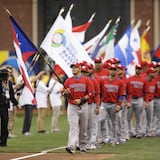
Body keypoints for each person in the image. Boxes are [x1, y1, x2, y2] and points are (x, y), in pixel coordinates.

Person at [63, 63, 95, 154]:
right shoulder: (68, 81)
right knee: (73, 127)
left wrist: (81, 100)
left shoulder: (86, 80)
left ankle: (83, 146)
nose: (73, 69)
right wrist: (66, 92)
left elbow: (92, 93)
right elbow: (64, 94)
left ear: (80, 69)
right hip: (72, 106)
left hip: (83, 105)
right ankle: (71, 146)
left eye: (75, 67)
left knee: (83, 128)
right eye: (72, 67)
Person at [100, 64, 125, 146]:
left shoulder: (120, 82)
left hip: (114, 104)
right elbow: (100, 93)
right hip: (104, 103)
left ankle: (114, 139)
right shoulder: (103, 81)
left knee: (114, 122)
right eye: (111, 69)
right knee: (101, 120)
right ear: (109, 70)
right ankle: (104, 138)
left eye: (114, 70)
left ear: (117, 71)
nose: (112, 71)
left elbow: (121, 95)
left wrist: (119, 105)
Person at [16, 71, 45, 135]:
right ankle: (25, 130)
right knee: (28, 115)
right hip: (25, 99)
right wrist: (38, 75)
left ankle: (27, 130)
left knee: (29, 115)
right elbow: (28, 82)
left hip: (29, 99)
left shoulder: (25, 77)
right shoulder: (21, 77)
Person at [127, 64, 147, 138]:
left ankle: (138, 132)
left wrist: (146, 101)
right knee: (128, 117)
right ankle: (130, 132)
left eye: (139, 69)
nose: (138, 70)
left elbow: (145, 91)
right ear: (135, 69)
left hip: (139, 99)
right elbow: (127, 91)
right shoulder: (130, 78)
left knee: (139, 117)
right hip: (131, 99)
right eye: (137, 69)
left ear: (141, 70)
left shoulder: (143, 80)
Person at [6, 66, 19, 138]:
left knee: (12, 118)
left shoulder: (11, 81)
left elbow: (11, 92)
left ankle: (10, 131)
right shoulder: (4, 81)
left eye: (11, 72)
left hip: (12, 101)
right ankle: (7, 132)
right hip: (6, 102)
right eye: (8, 72)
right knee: (8, 118)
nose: (10, 74)